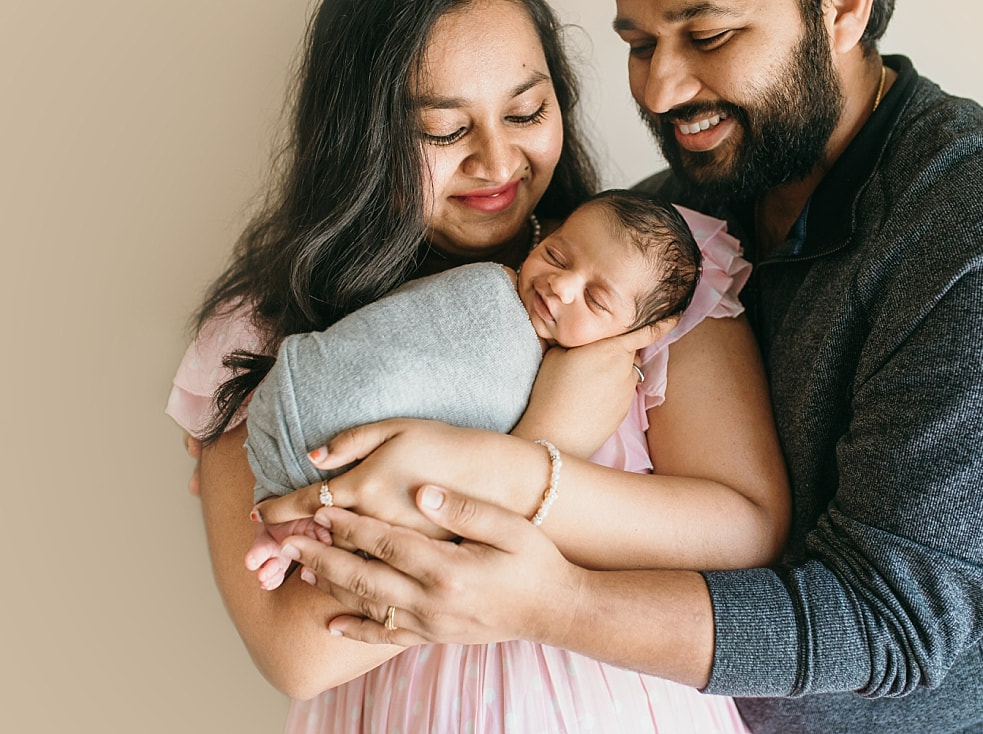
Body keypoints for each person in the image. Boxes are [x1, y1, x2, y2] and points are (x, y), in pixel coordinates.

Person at [259, 0, 983, 732]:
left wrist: (551, 601)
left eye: (708, 33)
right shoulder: (669, 224)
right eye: (637, 43)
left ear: (842, 8)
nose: (659, 92)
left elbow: (893, 624)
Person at [167, 0, 787, 732]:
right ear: (359, 135)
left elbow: (742, 529)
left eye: (526, 113)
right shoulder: (262, 330)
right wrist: (539, 441)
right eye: (444, 130)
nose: (496, 163)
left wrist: (496, 486)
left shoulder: (640, 270)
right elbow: (299, 649)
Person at [245, 189, 702, 589]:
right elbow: (391, 336)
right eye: (557, 256)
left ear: (634, 334)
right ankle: (285, 515)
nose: (560, 286)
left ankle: (288, 536)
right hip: (299, 399)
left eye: (596, 300)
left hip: (342, 478)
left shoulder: (597, 384)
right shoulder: (488, 287)